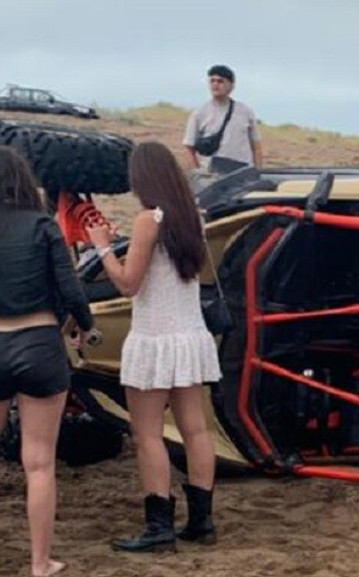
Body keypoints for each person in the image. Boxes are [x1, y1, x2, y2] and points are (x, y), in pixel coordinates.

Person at [0, 146, 95, 577]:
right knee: (40, 461)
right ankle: (40, 561)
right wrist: (85, 326)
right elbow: (70, 289)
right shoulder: (42, 225)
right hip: (40, 343)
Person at [87, 141, 222, 552]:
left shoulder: (150, 219)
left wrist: (102, 246)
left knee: (146, 433)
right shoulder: (191, 218)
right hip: (189, 334)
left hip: (155, 336)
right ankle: (201, 519)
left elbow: (129, 284)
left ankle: (159, 523)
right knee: (195, 428)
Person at [182, 64, 263, 173]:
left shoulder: (245, 112)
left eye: (220, 81)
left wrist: (257, 173)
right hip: (212, 175)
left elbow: (256, 147)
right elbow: (188, 148)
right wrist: (198, 176)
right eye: (212, 81)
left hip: (242, 174)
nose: (215, 84)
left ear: (231, 86)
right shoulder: (199, 113)